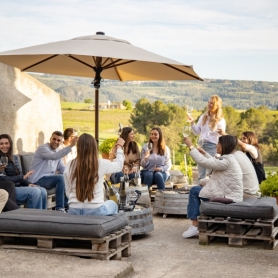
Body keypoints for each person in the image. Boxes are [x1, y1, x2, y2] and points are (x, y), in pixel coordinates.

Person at [182, 135, 243, 238]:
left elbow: (205, 163)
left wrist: (191, 146)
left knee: (194, 191)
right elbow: (215, 163)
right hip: (228, 194)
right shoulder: (229, 159)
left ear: (225, 145)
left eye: (218, 143)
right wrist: (204, 153)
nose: (216, 145)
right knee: (198, 189)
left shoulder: (228, 161)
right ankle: (196, 222)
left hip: (228, 197)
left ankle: (195, 225)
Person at [64, 133, 124, 216]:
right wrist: (119, 147)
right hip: (95, 211)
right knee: (113, 204)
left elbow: (68, 192)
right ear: (94, 148)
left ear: (78, 148)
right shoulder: (100, 163)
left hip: (73, 211)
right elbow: (119, 165)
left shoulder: (69, 165)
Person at [29, 131, 78, 212]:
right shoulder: (43, 148)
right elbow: (54, 156)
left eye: (58, 140)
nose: (55, 142)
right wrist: (71, 145)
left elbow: (62, 168)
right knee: (60, 178)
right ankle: (59, 208)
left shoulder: (57, 152)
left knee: (68, 176)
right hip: (36, 180)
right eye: (54, 139)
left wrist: (75, 174)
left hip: (48, 180)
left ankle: (67, 206)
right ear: (50, 139)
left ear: (61, 142)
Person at [0, 134, 47, 209]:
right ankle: (31, 218)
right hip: (9, 189)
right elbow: (3, 179)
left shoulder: (14, 157)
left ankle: (42, 216)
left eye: (6, 143)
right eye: (1, 144)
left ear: (10, 144)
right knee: (35, 192)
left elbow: (20, 174)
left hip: (19, 185)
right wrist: (23, 177)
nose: (4, 146)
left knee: (42, 190)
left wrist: (28, 184)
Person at [187, 95, 226, 180]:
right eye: (208, 102)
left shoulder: (221, 120)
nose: (209, 104)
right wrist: (192, 123)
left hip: (212, 147)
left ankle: (210, 192)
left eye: (211, 103)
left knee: (211, 174)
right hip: (201, 145)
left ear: (217, 105)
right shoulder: (203, 116)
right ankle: (199, 193)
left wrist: (218, 153)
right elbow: (197, 131)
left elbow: (222, 138)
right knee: (201, 174)